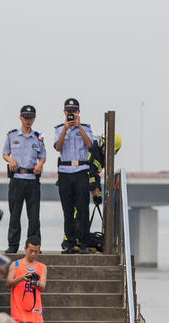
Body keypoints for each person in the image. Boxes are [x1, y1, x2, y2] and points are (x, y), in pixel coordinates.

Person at [1, 104, 46, 253]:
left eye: (30, 118)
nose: (28, 120)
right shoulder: (12, 135)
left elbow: (42, 156)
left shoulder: (38, 137)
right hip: (17, 178)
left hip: (32, 179)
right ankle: (13, 244)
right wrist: (10, 160)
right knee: (15, 214)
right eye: (25, 117)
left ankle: (33, 246)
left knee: (34, 216)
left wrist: (40, 164)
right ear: (21, 118)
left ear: (34, 119)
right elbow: (5, 153)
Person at [53, 98, 94, 254]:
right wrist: (65, 128)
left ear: (78, 112)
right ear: (64, 112)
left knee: (83, 208)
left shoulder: (85, 128)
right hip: (65, 171)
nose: (71, 114)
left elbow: (90, 145)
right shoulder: (59, 129)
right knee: (67, 209)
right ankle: (69, 243)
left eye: (74, 111)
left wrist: (78, 126)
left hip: (81, 170)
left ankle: (84, 242)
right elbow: (58, 147)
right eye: (69, 111)